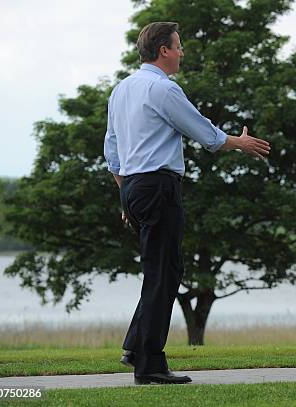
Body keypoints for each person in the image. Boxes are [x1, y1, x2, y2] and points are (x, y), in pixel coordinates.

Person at [104, 21, 270, 385]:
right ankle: (149, 365)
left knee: (162, 271)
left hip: (133, 186)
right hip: (159, 185)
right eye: (178, 46)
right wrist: (239, 143)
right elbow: (203, 132)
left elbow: (112, 149)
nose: (182, 52)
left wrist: (126, 193)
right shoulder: (163, 89)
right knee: (164, 271)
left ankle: (136, 347)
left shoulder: (122, 89)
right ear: (163, 50)